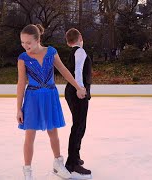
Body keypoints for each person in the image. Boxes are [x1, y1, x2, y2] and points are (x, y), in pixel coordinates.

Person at [16, 24, 87, 180]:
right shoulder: (23, 58)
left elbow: (64, 71)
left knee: (53, 132)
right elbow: (21, 83)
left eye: (28, 42)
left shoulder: (51, 52)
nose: (25, 46)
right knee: (30, 135)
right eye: (22, 42)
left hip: (50, 96)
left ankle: (58, 164)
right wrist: (19, 109)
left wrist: (78, 87)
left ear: (38, 39)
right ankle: (27, 171)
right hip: (32, 99)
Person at [64, 28, 92, 178]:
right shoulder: (80, 51)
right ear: (80, 37)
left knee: (79, 125)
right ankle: (72, 163)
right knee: (79, 126)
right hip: (77, 92)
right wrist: (80, 89)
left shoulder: (73, 52)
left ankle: (75, 156)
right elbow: (78, 71)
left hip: (71, 91)